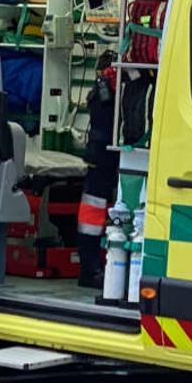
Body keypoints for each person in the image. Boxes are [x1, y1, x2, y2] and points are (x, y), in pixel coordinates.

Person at [76, 51, 120, 289]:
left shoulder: (100, 90)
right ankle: (91, 269)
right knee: (94, 217)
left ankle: (92, 268)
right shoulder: (107, 93)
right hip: (105, 159)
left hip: (100, 158)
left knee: (94, 216)